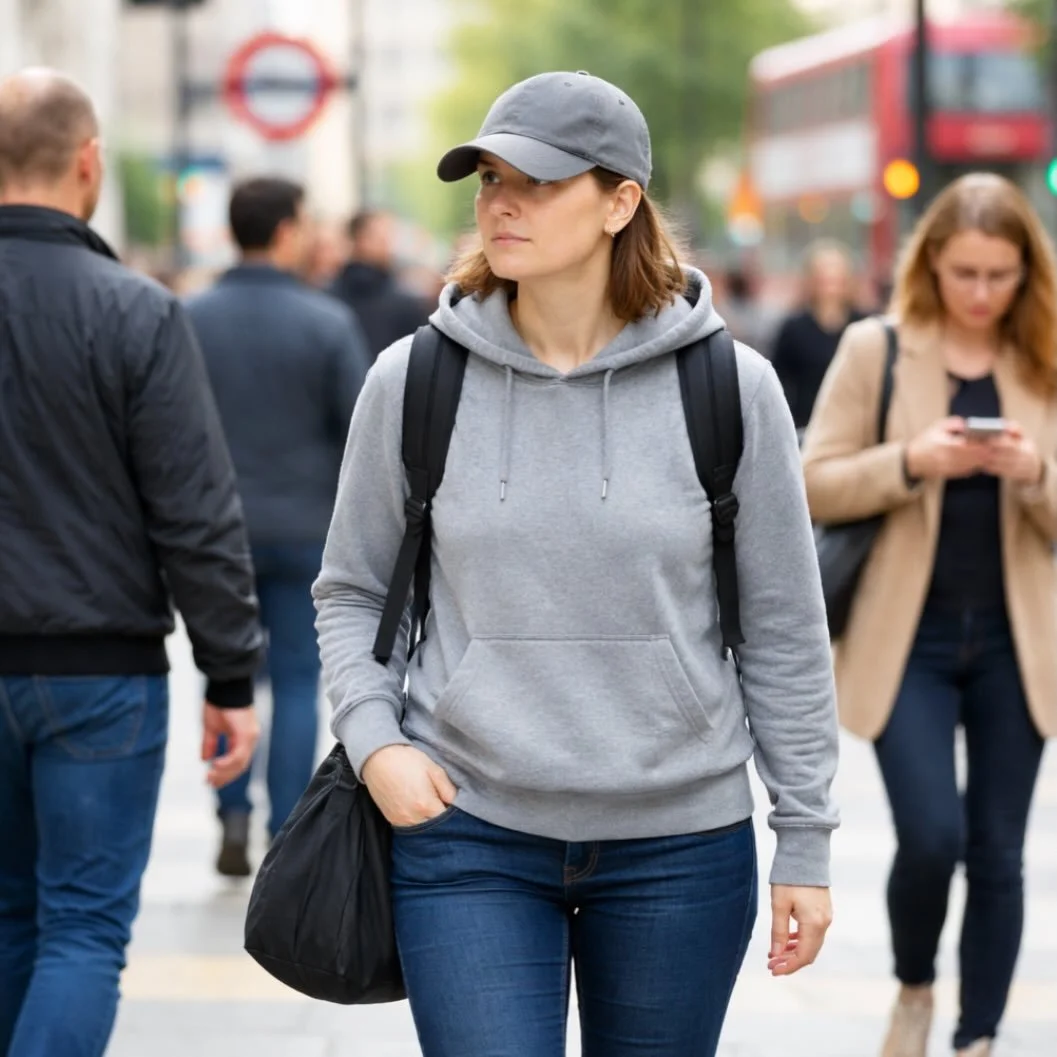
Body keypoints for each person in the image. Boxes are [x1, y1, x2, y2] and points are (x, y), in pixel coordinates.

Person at [314, 70, 839, 1057]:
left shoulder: (728, 385)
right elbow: (349, 588)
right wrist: (376, 742)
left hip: (679, 845)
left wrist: (803, 841)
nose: (503, 203)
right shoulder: (414, 379)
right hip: (466, 828)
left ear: (620, 202)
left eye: (540, 182)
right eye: (489, 180)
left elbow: (781, 625)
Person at [0, 69, 262, 1057]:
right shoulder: (137, 312)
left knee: (9, 915)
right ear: (87, 164)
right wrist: (230, 672)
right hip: (97, 673)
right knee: (82, 927)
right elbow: (192, 511)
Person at [802, 174, 1057, 1057]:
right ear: (931, 266)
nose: (981, 292)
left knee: (996, 853)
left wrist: (1034, 474)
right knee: (931, 836)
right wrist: (910, 459)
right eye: (963, 273)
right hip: (906, 638)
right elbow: (812, 479)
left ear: (1028, 271)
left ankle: (975, 1037)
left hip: (1018, 645)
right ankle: (915, 982)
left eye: (999, 274)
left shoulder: (1045, 358)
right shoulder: (878, 350)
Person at [186, 177, 371, 876]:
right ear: (289, 230)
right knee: (296, 677)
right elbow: (360, 428)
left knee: (225, 675)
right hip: (303, 526)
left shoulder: (189, 316)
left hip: (213, 535)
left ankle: (228, 812)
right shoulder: (325, 322)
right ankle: (284, 824)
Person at [772, 238, 862, 431]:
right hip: (807, 428)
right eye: (824, 276)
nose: (830, 283)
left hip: (855, 428)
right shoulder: (793, 328)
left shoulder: (864, 325)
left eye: (836, 276)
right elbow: (778, 384)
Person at [329, 208, 431, 361]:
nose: (390, 245)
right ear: (361, 240)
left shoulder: (325, 295)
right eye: (384, 238)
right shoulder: (404, 303)